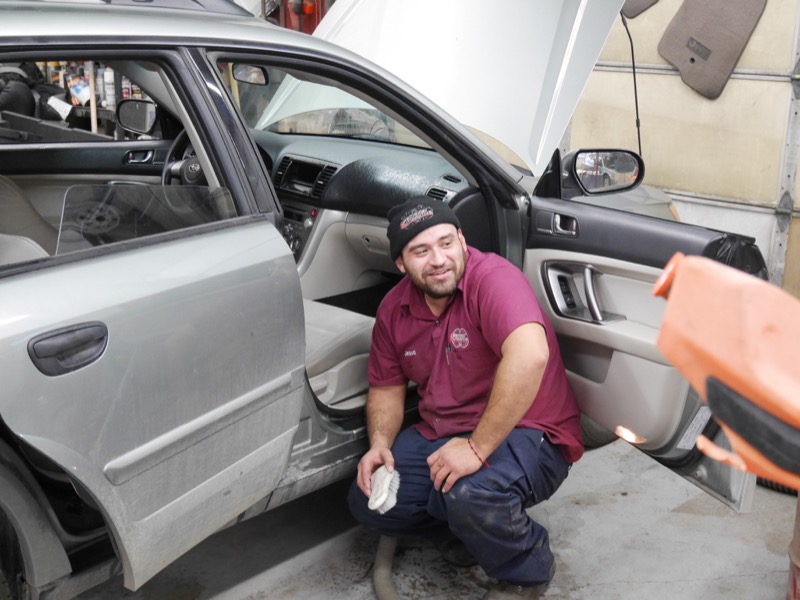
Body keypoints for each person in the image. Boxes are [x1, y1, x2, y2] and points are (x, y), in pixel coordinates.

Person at [347, 197, 584, 599]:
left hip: (529, 429)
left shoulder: (493, 279)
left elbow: (531, 355)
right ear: (401, 264)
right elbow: (386, 387)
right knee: (369, 500)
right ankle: (468, 530)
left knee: (470, 494)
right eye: (421, 251)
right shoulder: (394, 309)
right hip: (443, 429)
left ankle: (526, 570)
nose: (439, 260)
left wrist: (476, 448)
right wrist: (380, 446)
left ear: (461, 239)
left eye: (446, 243)